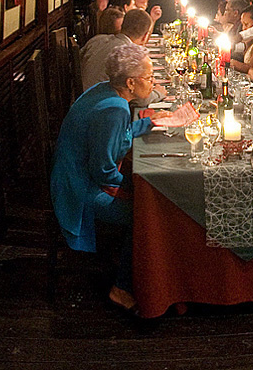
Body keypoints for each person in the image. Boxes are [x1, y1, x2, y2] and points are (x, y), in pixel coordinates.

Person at [50, 44, 171, 310]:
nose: (154, 82)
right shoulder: (115, 108)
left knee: (144, 198)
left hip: (74, 176)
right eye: (150, 78)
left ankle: (126, 259)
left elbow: (121, 136)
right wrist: (137, 185)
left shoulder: (105, 90)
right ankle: (122, 287)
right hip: (78, 191)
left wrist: (149, 122)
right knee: (145, 214)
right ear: (130, 82)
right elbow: (102, 171)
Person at [81, 9, 168, 105]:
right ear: (145, 36)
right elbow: (140, 97)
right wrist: (158, 93)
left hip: (80, 100)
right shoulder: (128, 55)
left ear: (122, 26)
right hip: (103, 106)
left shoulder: (96, 40)